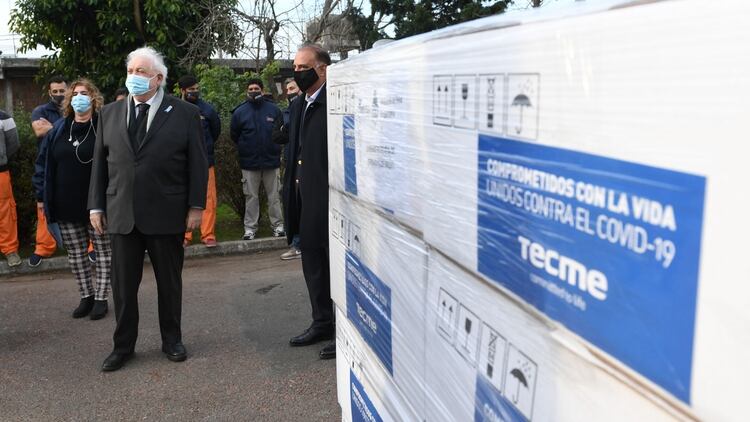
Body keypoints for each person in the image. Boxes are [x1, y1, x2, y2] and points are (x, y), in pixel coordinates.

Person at [89, 46, 208, 372]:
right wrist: (96, 207)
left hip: (166, 213)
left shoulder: (183, 113)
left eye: (141, 72)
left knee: (169, 283)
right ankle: (123, 346)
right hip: (122, 214)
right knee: (123, 287)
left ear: (158, 78)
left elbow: (198, 163)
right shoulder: (110, 114)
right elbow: (101, 165)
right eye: (131, 72)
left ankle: (172, 340)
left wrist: (196, 207)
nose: (134, 78)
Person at [33, 79, 112, 320]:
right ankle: (86, 296)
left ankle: (101, 298)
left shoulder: (104, 126)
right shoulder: (58, 129)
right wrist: (41, 196)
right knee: (76, 253)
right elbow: (43, 163)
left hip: (97, 203)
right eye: (75, 94)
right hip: (65, 202)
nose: (79, 97)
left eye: (84, 93)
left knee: (103, 252)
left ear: (93, 98)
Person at [284, 44, 335, 359]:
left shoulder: (334, 102)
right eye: (295, 66)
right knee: (312, 263)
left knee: (333, 266)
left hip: (328, 198)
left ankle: (342, 330)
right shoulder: (298, 104)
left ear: (323, 69)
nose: (298, 72)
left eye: (304, 67)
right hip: (303, 197)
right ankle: (321, 322)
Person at [230, 78, 284, 241]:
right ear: (247, 90)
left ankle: (278, 226)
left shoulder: (274, 110)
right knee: (251, 197)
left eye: (256, 88)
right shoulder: (239, 112)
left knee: (274, 196)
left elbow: (281, 133)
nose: (254, 91)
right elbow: (235, 135)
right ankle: (250, 229)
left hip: (271, 161)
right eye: (251, 88)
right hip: (249, 163)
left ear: (262, 89)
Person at [29, 75, 67, 267]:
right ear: (50, 92)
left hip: (71, 163)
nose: (59, 94)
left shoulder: (73, 108)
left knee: (83, 205)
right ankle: (43, 248)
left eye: (62, 91)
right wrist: (64, 126)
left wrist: (51, 127)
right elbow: (38, 131)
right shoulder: (40, 110)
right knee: (44, 205)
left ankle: (90, 247)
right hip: (47, 164)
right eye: (56, 91)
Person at [179, 75, 220, 248]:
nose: (195, 92)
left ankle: (208, 234)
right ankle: (184, 235)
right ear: (182, 91)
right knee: (182, 199)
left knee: (209, 199)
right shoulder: (175, 109)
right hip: (181, 163)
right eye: (191, 90)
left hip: (205, 162)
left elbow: (215, 131)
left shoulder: (207, 110)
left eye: (196, 88)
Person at [274, 78, 302, 260]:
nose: (290, 91)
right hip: (290, 162)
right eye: (288, 89)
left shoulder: (307, 108)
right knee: (291, 203)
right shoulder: (285, 112)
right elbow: (278, 134)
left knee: (302, 204)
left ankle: (300, 245)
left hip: (304, 163)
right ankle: (296, 243)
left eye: (293, 88)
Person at [0, 109, 21, 267]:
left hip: (1, 173)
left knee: (6, 212)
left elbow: (13, 144)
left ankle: (10, 251)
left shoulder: (4, 117)